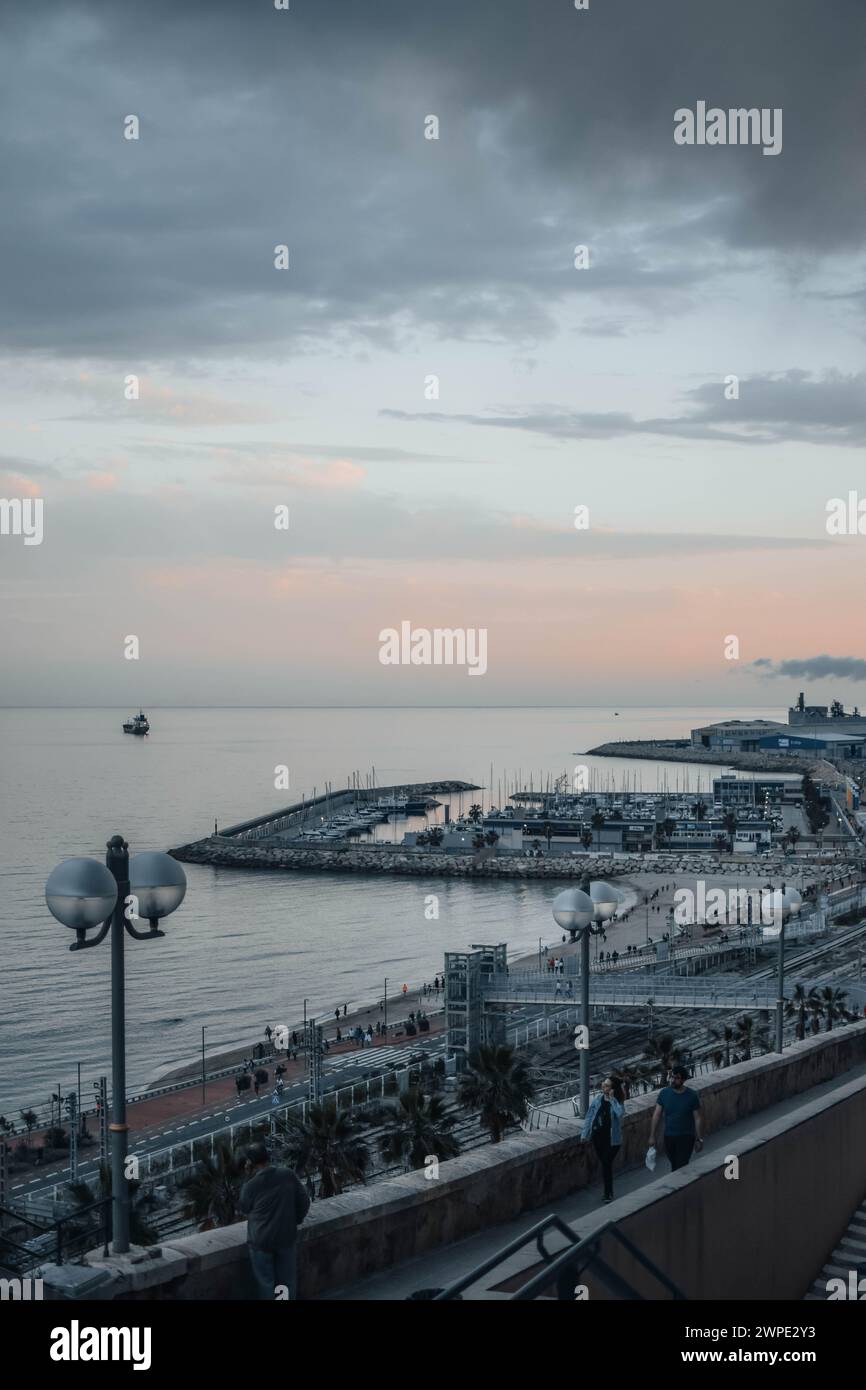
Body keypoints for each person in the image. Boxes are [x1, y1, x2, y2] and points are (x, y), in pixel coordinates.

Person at [239, 1143, 310, 1300]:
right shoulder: (287, 1175)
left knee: (266, 1284)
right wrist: (296, 1220)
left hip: (261, 1241)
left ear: (250, 1162)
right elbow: (304, 1201)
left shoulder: (250, 1186)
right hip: (286, 1237)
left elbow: (244, 1207)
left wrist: (247, 1177)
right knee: (286, 1283)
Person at [649, 1065, 703, 1171]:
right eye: (672, 1077)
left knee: (681, 1165)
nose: (673, 1080)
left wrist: (699, 1139)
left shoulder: (692, 1095)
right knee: (675, 1165)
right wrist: (652, 1136)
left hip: (686, 1137)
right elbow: (656, 1115)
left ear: (683, 1079)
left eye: (677, 1078)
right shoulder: (664, 1093)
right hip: (669, 1137)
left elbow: (697, 1118)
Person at [581, 1077, 625, 1203]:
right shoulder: (598, 1099)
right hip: (597, 1138)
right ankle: (608, 1192)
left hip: (612, 1140)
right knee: (606, 1165)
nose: (603, 1086)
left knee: (606, 1163)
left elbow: (620, 1114)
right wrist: (585, 1134)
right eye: (603, 1084)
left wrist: (612, 1099)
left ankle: (608, 1193)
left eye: (606, 1085)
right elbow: (589, 1116)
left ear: (612, 1089)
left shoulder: (617, 1101)